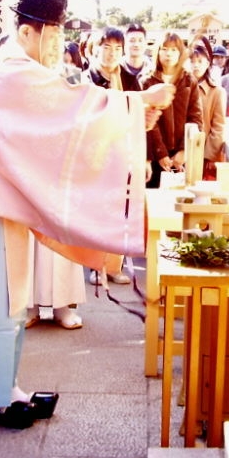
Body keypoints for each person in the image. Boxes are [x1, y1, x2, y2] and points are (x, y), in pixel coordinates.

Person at [0, 0, 175, 429]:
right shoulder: (12, 70)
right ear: (26, 31)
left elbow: (64, 122)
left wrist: (134, 112)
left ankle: (4, 387)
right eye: (53, 32)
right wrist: (137, 106)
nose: (59, 42)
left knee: (5, 302)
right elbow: (74, 107)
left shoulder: (14, 66)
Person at [82, 26, 145, 286]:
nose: (111, 54)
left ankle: (113, 266)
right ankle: (95, 267)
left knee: (120, 212)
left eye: (117, 49)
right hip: (96, 154)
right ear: (94, 49)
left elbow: (140, 112)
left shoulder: (129, 79)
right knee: (97, 212)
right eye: (106, 47)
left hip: (124, 152)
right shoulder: (87, 79)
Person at [142, 31, 204, 188]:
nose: (168, 54)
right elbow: (146, 122)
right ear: (157, 52)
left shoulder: (189, 81)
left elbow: (195, 118)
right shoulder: (147, 80)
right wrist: (160, 153)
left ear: (180, 53)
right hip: (153, 158)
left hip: (181, 158)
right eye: (164, 49)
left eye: (174, 50)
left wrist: (184, 151)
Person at [190, 37, 228, 181]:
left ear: (208, 64)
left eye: (200, 61)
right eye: (192, 61)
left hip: (202, 154)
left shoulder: (217, 92)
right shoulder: (180, 88)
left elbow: (218, 127)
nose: (196, 66)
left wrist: (209, 156)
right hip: (178, 154)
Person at [212, 44, 229, 117]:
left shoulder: (228, 70)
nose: (219, 59)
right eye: (216, 57)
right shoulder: (210, 70)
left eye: (222, 57)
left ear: (225, 59)